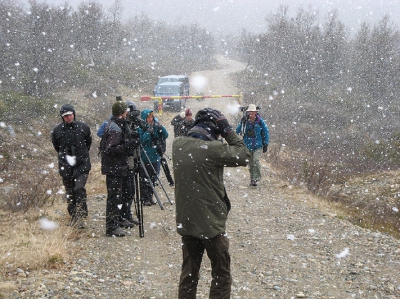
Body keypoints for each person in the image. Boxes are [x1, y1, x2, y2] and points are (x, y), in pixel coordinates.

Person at [172, 108, 251, 299]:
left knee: (189, 274)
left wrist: (191, 121)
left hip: (188, 221)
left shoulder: (177, 144)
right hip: (212, 224)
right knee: (221, 274)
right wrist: (228, 131)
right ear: (214, 130)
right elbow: (245, 155)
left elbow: (186, 132)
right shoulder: (213, 149)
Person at [100, 99, 140, 237]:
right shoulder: (115, 129)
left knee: (118, 196)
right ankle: (111, 226)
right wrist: (128, 146)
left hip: (116, 167)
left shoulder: (116, 125)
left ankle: (116, 222)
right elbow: (110, 149)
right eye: (126, 112)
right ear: (123, 113)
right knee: (114, 198)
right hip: (114, 167)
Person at [51, 104, 92, 229]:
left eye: (70, 114)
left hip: (82, 165)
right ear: (62, 117)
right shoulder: (57, 131)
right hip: (66, 166)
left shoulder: (83, 128)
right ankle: (74, 216)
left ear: (74, 114)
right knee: (70, 192)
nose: (68, 117)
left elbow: (88, 143)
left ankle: (81, 214)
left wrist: (80, 157)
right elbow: (57, 146)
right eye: (65, 116)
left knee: (79, 188)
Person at [138, 109, 168, 206]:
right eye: (148, 117)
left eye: (151, 117)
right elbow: (141, 141)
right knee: (144, 179)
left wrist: (160, 127)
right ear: (145, 118)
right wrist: (147, 132)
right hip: (145, 157)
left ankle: (150, 197)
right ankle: (145, 198)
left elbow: (165, 135)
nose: (150, 119)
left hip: (155, 157)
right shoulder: (140, 128)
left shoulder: (155, 126)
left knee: (153, 178)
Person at [235, 104, 269, 186]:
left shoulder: (260, 122)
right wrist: (242, 122)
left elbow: (265, 133)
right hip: (248, 145)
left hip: (258, 145)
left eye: (252, 112)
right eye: (249, 112)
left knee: (255, 160)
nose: (251, 113)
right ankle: (252, 179)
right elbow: (238, 131)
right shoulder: (245, 122)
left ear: (255, 112)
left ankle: (256, 178)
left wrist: (265, 144)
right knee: (250, 163)